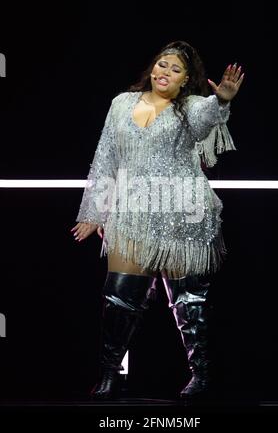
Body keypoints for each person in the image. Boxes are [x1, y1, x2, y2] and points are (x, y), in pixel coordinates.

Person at [70, 40, 244, 400]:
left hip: (183, 212)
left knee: (189, 300)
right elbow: (105, 157)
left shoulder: (192, 108)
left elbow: (206, 120)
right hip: (133, 214)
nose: (166, 72)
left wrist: (222, 100)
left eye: (176, 69)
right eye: (162, 64)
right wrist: (94, 212)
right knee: (119, 297)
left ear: (185, 80)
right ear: (152, 68)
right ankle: (109, 377)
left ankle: (202, 378)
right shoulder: (121, 103)